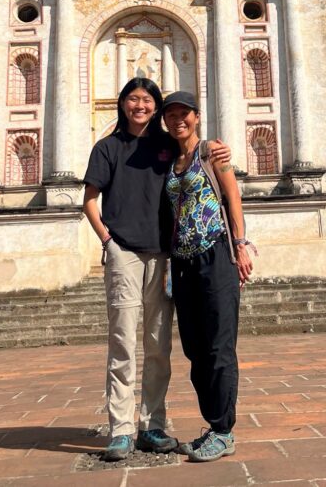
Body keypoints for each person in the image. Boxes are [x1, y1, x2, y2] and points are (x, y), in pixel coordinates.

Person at [82, 77, 229, 462]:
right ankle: (120, 429)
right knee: (122, 342)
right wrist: (108, 242)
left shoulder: (168, 147)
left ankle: (152, 424)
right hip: (124, 254)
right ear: (123, 104)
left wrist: (218, 151)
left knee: (158, 344)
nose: (140, 106)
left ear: (156, 107)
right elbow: (90, 201)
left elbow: (198, 157)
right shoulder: (107, 147)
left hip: (165, 255)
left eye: (147, 100)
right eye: (133, 99)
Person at [161, 91, 254, 463]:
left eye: (184, 114)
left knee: (219, 346)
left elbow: (233, 198)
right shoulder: (169, 161)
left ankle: (223, 430)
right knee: (195, 348)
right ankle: (212, 425)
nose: (178, 120)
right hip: (183, 262)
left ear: (196, 117)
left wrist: (242, 244)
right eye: (171, 115)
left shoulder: (213, 153)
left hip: (215, 254)